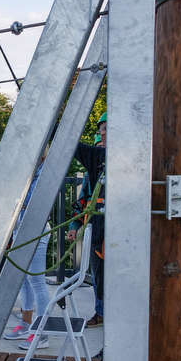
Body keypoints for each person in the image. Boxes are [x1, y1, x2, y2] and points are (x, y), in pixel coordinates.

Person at [2, 156, 53, 348]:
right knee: (23, 280)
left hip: (36, 229)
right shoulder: (29, 171)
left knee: (36, 281)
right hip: (21, 229)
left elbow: (29, 200)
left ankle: (42, 334)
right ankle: (26, 324)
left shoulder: (44, 171)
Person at [66, 113, 106, 327]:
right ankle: (101, 312)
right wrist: (74, 226)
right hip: (96, 228)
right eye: (101, 131)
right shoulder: (93, 173)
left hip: (108, 229)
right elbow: (84, 202)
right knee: (98, 273)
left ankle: (108, 313)